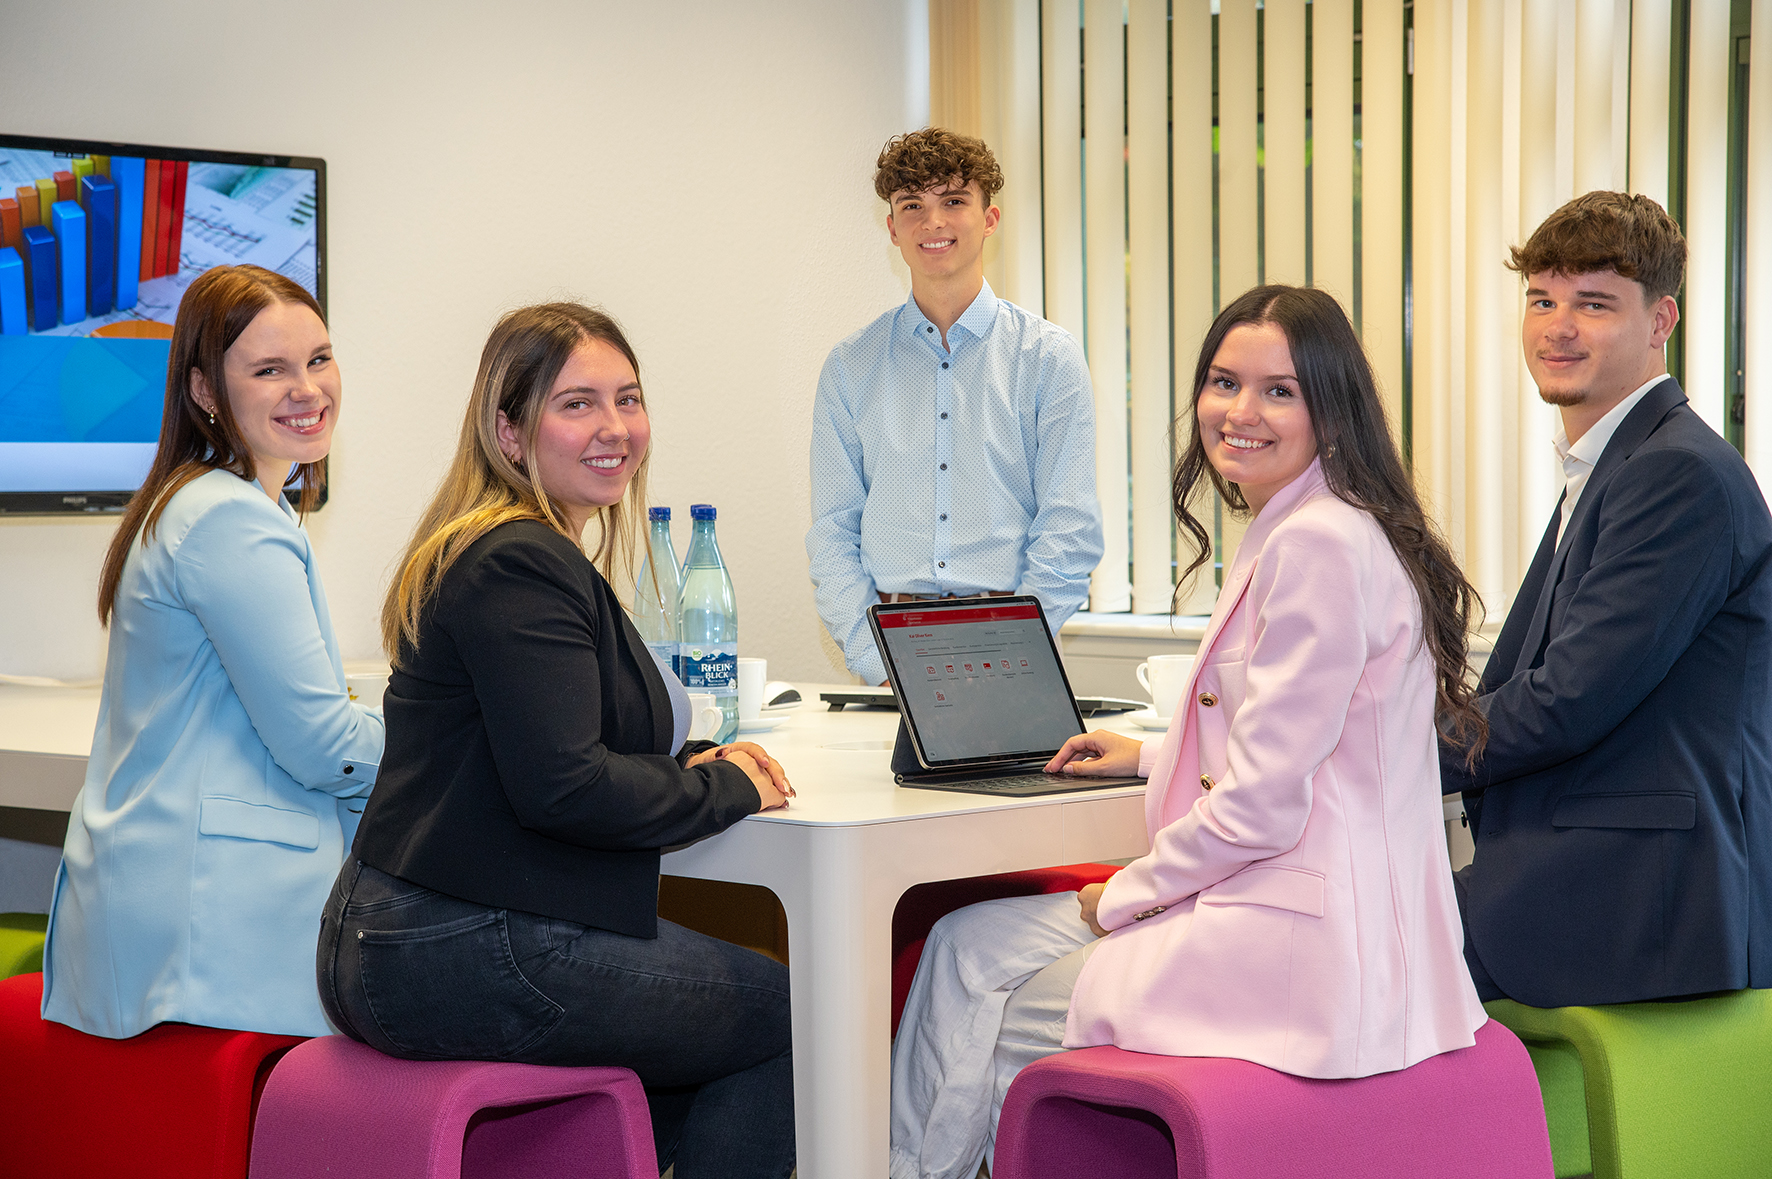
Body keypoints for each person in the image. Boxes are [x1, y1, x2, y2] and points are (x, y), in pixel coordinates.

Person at [889, 286, 1488, 1179]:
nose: (1240, 412)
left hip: (1303, 948)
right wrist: (1151, 753)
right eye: (1222, 382)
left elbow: (1260, 811)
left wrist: (1121, 896)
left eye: (1278, 390)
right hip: (1315, 915)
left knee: (981, 988)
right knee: (963, 942)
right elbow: (1301, 742)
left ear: (1332, 405)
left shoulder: (1317, 543)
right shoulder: (1318, 522)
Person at [318, 303, 795, 1179]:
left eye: (628, 398)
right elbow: (564, 787)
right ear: (509, 429)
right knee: (793, 1013)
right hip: (463, 947)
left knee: (712, 1021)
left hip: (407, 939)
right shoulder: (520, 559)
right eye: (577, 404)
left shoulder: (505, 547)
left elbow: (547, 749)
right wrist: (731, 786)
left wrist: (679, 768)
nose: (614, 427)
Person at [1439, 192, 1772, 1007]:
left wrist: (1371, 747)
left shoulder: (1675, 472)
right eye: (1542, 300)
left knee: (1330, 941)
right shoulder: (1618, 462)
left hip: (1638, 893)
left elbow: (1566, 700)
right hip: (1599, 865)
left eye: (1593, 304)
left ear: (1662, 320)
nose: (1557, 327)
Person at [41, 264, 384, 1039]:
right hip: (210, 929)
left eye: (319, 359)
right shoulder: (230, 521)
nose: (308, 389)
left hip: (160, 909)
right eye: (270, 370)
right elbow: (324, 746)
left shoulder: (197, 500)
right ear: (205, 391)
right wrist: (454, 747)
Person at [806, 128, 1103, 685]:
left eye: (954, 201)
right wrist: (879, 661)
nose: (933, 222)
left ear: (989, 218)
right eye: (912, 205)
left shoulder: (1048, 359)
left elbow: (1069, 527)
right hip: (892, 643)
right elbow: (833, 532)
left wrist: (1017, 653)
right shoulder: (850, 367)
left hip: (1012, 642)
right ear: (891, 227)